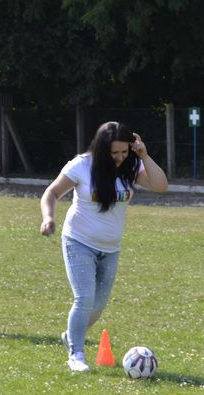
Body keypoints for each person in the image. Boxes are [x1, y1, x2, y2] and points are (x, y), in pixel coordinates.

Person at [39, 121, 168, 372]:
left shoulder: (131, 166)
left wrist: (143, 155)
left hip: (110, 248)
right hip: (78, 241)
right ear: (101, 149)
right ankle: (76, 355)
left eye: (124, 151)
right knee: (84, 298)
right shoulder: (82, 165)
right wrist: (48, 217)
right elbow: (51, 193)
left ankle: (72, 334)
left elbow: (161, 186)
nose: (119, 157)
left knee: (97, 307)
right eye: (114, 153)